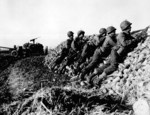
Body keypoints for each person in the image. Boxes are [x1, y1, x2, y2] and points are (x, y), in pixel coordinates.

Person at [88, 20, 149, 87]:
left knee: (106, 65)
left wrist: (140, 36)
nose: (130, 28)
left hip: (115, 53)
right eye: (129, 27)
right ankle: (98, 80)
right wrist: (135, 40)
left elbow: (133, 39)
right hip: (115, 53)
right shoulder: (121, 35)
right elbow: (125, 43)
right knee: (113, 66)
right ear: (126, 27)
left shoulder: (126, 35)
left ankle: (90, 77)